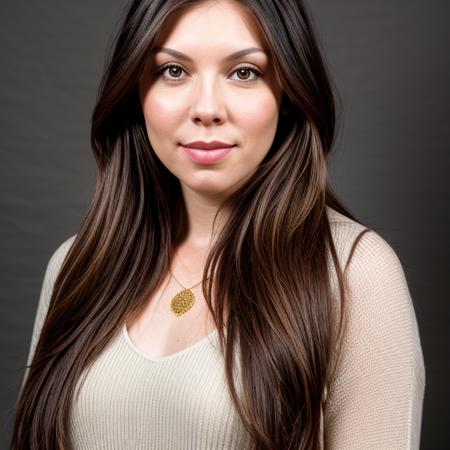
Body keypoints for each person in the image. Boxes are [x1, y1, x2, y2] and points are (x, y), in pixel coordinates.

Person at [10, 0, 426, 449]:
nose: (206, 109)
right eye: (173, 71)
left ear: (288, 93)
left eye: (244, 72)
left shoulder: (355, 273)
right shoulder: (76, 266)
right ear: (136, 91)